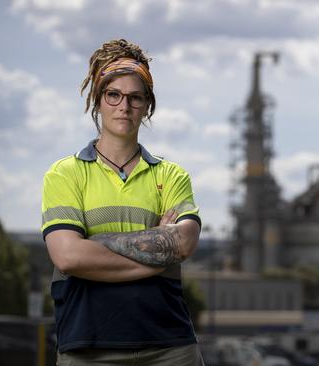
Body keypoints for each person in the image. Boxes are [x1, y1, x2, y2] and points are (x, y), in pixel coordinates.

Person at [41, 39, 204, 365]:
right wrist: (156, 256)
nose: (124, 106)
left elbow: (183, 243)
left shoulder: (171, 176)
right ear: (97, 101)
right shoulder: (65, 174)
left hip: (169, 346)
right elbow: (69, 256)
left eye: (135, 97)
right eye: (113, 95)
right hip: (87, 345)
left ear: (147, 105)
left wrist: (95, 245)